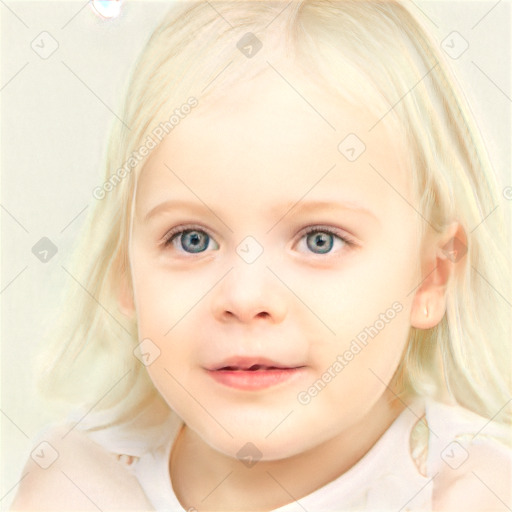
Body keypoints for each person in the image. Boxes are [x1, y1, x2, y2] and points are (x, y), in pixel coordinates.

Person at [10, 0, 511, 510]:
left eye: (320, 240)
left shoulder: (466, 493)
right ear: (126, 272)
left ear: (431, 277)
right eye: (192, 239)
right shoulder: (78, 482)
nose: (245, 297)